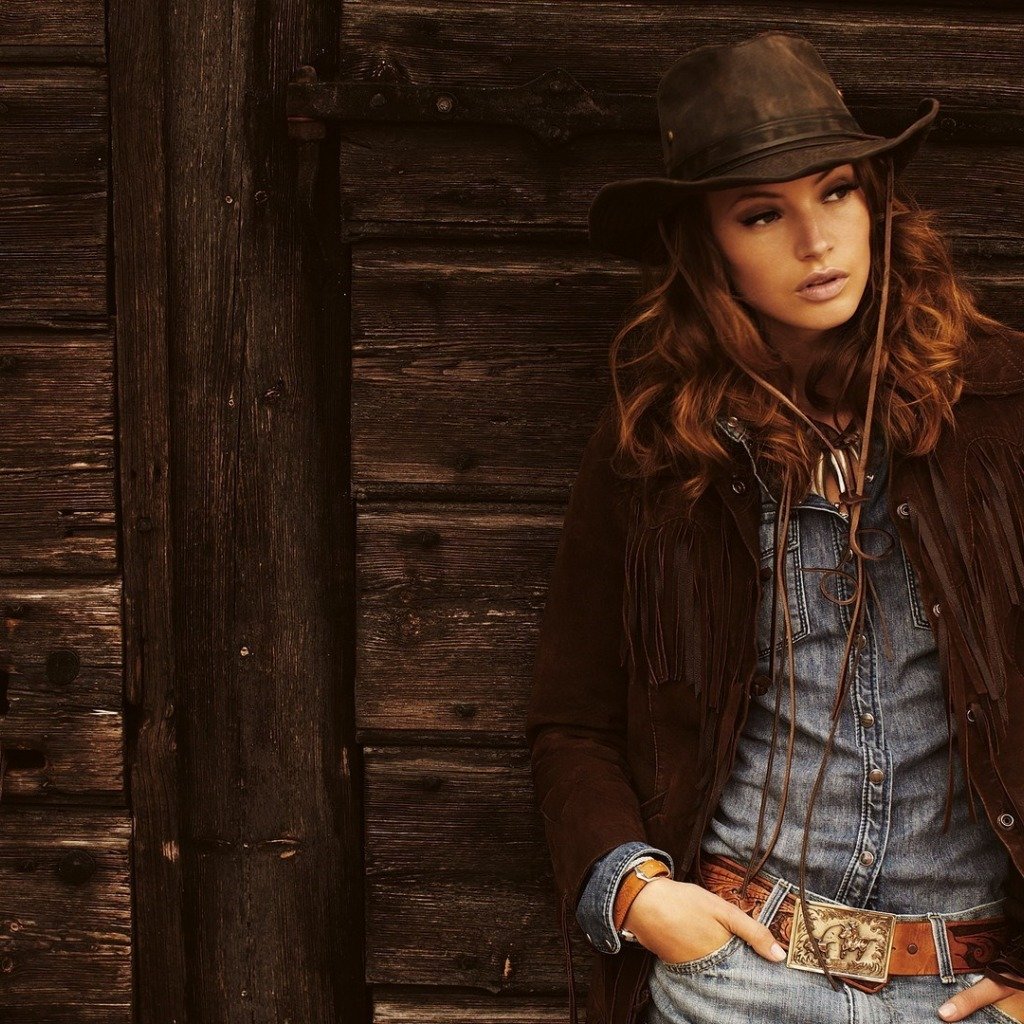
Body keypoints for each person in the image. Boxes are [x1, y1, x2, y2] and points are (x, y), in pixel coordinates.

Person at [525, 30, 1024, 1024]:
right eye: (762, 213)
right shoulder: (659, 445)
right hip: (736, 977)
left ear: (876, 204)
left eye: (836, 193)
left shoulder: (1001, 408)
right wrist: (636, 894)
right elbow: (572, 717)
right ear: (706, 245)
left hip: (967, 990)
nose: (815, 240)